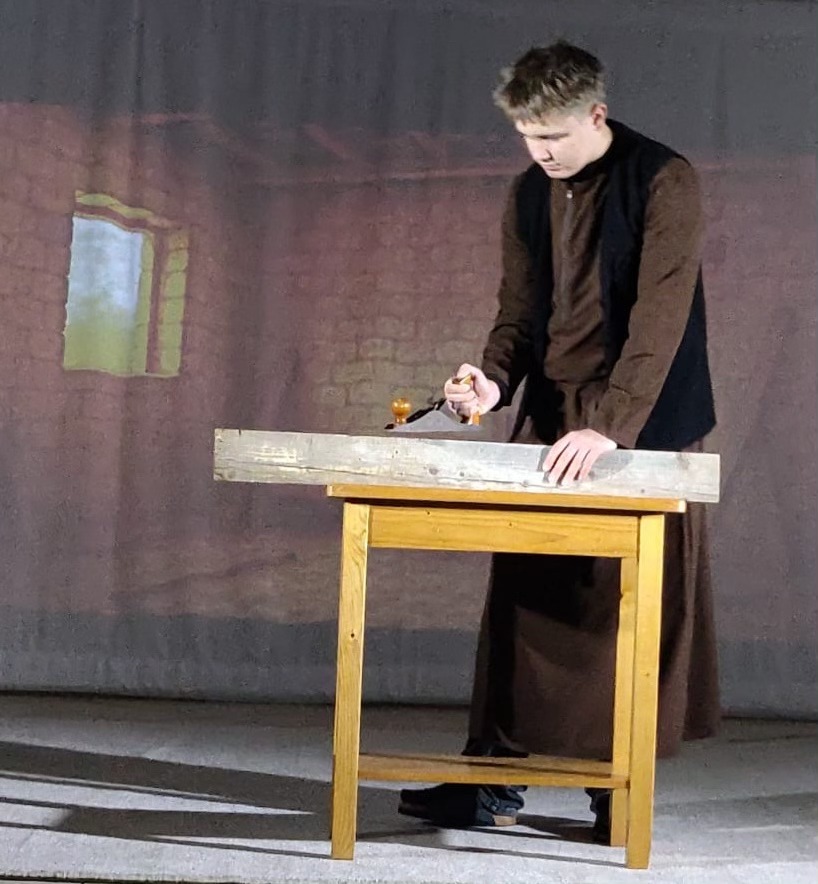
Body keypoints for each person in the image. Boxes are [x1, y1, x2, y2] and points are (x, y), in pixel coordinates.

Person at [397, 40, 720, 842]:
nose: (540, 152)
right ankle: (492, 782)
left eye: (553, 137)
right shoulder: (527, 193)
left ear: (596, 115)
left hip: (640, 420)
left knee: (626, 610)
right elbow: (517, 311)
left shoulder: (665, 180)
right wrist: (492, 382)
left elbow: (660, 319)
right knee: (521, 599)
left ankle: (616, 793)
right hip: (552, 416)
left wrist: (611, 423)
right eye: (527, 137)